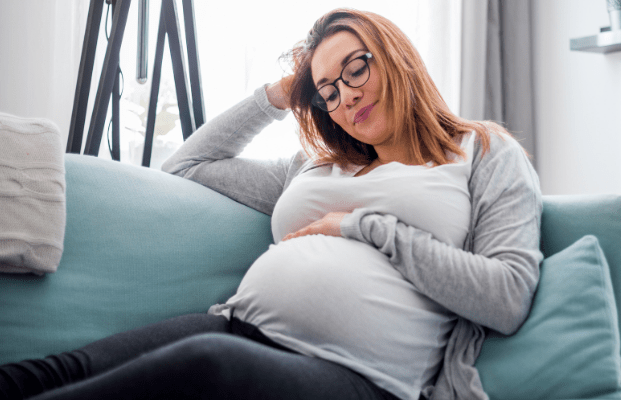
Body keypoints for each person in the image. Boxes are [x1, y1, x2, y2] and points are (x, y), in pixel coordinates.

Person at [0, 8, 542, 400]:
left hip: (362, 376)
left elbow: (508, 296)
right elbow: (188, 165)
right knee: (57, 371)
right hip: (238, 326)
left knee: (205, 366)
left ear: (396, 55)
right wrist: (279, 94)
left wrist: (363, 226)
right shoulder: (313, 166)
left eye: (356, 69)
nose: (347, 96)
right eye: (328, 91)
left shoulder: (482, 151)